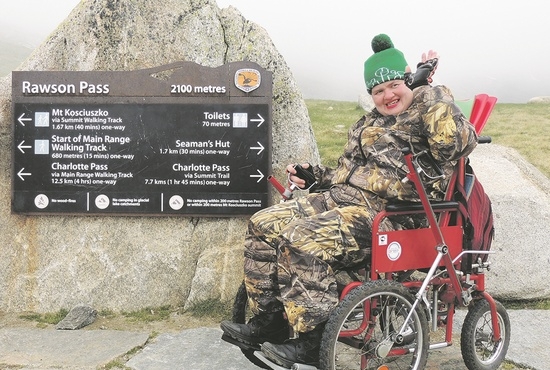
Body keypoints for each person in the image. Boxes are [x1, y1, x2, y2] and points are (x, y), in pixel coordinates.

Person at [221, 33, 478, 368]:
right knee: (262, 224)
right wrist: (314, 176)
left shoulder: (427, 112)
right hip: (343, 200)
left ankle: (314, 341)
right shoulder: (369, 122)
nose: (387, 96)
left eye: (394, 85)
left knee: (300, 239)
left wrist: (429, 86)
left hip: (391, 214)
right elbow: (351, 174)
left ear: (408, 80)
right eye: (377, 91)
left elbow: (456, 144)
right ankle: (271, 322)